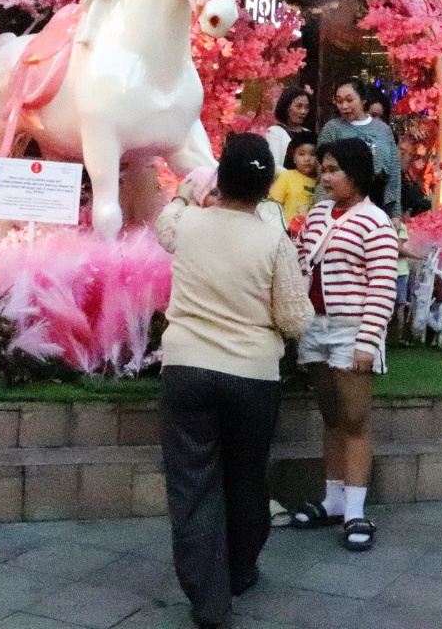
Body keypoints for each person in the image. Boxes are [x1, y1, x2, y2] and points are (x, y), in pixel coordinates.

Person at [154, 133, 315, 629]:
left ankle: (209, 599)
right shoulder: (273, 240)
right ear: (268, 185)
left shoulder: (190, 223)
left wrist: (185, 192)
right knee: (246, 478)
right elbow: (295, 320)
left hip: (185, 370)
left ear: (219, 179)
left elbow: (166, 224)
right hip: (251, 378)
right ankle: (240, 570)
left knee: (193, 484)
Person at [289, 138, 399, 551]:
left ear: (355, 173)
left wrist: (368, 341)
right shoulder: (318, 214)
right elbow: (301, 259)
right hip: (315, 328)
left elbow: (383, 287)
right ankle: (333, 500)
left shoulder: (375, 222)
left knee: (354, 419)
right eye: (324, 169)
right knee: (331, 415)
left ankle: (355, 510)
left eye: (334, 169)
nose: (326, 177)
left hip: (352, 330)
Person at [317, 81, 402, 219]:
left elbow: (394, 171)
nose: (344, 106)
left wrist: (396, 213)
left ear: (363, 100)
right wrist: (323, 210)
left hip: (378, 201)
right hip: (342, 204)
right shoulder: (332, 129)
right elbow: (323, 172)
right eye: (339, 101)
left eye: (350, 100)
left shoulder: (383, 130)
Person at [269, 134, 318, 234]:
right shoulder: (287, 177)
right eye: (302, 154)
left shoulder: (321, 183)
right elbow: (273, 206)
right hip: (287, 233)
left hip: (312, 234)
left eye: (312, 154)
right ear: (294, 158)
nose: (307, 159)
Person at [265, 87, 314, 176]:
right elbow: (274, 166)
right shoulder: (275, 132)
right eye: (298, 106)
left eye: (306, 107)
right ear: (286, 107)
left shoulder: (309, 134)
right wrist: (297, 179)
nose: (303, 111)